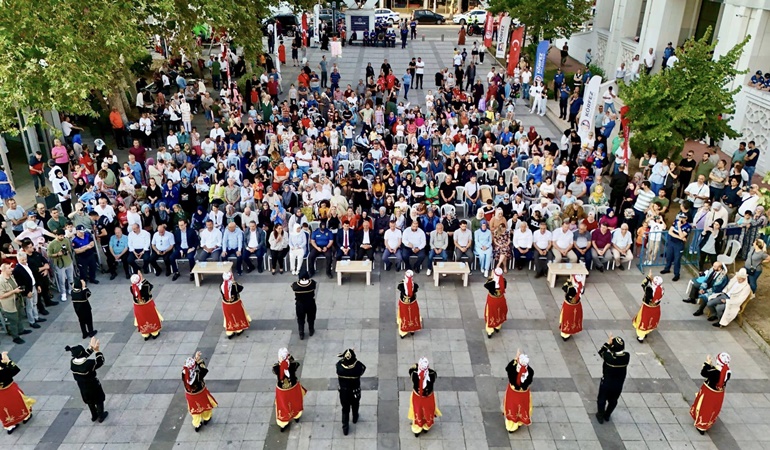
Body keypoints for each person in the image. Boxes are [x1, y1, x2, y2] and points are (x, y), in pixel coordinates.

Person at [66, 337, 108, 423]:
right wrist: (97, 350)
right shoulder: (89, 363)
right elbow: (100, 361)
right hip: (93, 385)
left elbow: (83, 355)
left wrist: (91, 348)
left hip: (82, 387)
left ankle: (94, 415)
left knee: (89, 401)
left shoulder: (73, 362)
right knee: (99, 400)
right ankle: (101, 415)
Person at [690, 352, 731, 435]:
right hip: (719, 393)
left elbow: (704, 373)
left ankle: (701, 426)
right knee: (712, 409)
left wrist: (707, 363)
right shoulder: (728, 372)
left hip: (709, 392)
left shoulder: (714, 372)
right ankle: (707, 423)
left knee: (705, 408)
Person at [595, 334, 629, 424]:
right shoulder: (626, 356)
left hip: (607, 383)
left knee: (602, 399)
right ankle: (607, 415)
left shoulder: (609, 358)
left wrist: (607, 343)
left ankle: (600, 415)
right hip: (618, 384)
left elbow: (601, 352)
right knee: (613, 401)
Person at [0, 351, 35, 434]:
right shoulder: (3, 371)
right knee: (15, 403)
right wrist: (7, 361)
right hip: (8, 388)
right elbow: (15, 370)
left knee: (8, 407)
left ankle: (12, 424)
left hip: (5, 390)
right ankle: (23, 417)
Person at [182, 351, 217, 432]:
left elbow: (189, 367)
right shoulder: (198, 376)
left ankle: (197, 424)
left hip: (190, 395)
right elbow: (204, 369)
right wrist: (198, 360)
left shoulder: (184, 374)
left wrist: (194, 360)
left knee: (195, 410)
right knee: (205, 406)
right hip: (200, 394)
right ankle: (206, 418)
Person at [273, 347, 306, 432]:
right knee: (295, 402)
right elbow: (296, 364)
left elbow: (275, 369)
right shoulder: (293, 365)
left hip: (282, 391)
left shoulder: (276, 367)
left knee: (283, 405)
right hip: (293, 388)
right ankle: (296, 416)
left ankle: (283, 423)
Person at [336, 348, 366, 435]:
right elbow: (363, 368)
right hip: (355, 391)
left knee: (345, 409)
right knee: (355, 404)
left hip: (344, 392)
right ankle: (355, 417)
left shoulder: (339, 367)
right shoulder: (357, 367)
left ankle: (345, 428)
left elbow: (338, 363)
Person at [408, 357, 440, 437]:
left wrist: (415, 366)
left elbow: (411, 371)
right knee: (426, 412)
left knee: (418, 412)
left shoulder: (414, 374)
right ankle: (426, 427)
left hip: (418, 397)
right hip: (427, 398)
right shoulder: (432, 374)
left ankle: (417, 429)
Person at [503, 350, 533, 433]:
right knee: (522, 407)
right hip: (523, 394)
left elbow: (507, 368)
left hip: (513, 393)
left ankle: (511, 426)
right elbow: (528, 382)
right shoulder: (530, 371)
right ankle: (519, 422)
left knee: (512, 407)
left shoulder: (513, 370)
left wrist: (515, 359)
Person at [0, 263, 29, 344]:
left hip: (17, 300)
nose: (11, 269)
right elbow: (1, 296)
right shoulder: (1, 281)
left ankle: (21, 330)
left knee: (19, 316)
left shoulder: (11, 277)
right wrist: (14, 291)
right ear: (4, 270)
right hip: (9, 304)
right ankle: (15, 337)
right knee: (13, 320)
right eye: (9, 268)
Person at [130, 273, 163, 340]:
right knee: (151, 318)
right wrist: (143, 279)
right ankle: (154, 333)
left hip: (138, 306)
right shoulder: (145, 286)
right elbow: (151, 286)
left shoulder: (132, 288)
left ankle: (146, 335)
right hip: (147, 305)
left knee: (142, 319)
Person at [633, 273, 664, 343]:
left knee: (644, 320)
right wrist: (651, 279)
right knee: (651, 320)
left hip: (647, 308)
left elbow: (643, 284)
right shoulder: (662, 289)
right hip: (656, 308)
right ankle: (646, 332)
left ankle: (641, 337)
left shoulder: (649, 290)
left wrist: (648, 277)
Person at [661, 213, 691, 281]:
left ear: (686, 218)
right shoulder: (676, 221)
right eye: (680, 217)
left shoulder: (688, 226)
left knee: (677, 260)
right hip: (672, 242)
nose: (681, 219)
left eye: (683, 217)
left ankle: (677, 274)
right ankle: (667, 268)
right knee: (669, 256)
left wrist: (679, 227)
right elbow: (670, 232)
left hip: (679, 244)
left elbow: (682, 235)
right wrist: (680, 237)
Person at [220, 272, 250, 339]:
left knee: (229, 317)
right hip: (235, 304)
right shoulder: (234, 285)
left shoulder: (221, 286)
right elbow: (241, 288)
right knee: (237, 316)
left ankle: (230, 332)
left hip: (226, 305)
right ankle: (238, 330)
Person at [291, 269, 317, 340]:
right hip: (310, 304)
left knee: (300, 319)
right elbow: (314, 285)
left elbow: (293, 287)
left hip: (300, 305)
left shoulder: (296, 285)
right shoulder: (312, 284)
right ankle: (311, 330)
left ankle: (301, 333)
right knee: (311, 318)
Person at [484, 268, 508, 338]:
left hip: (492, 301)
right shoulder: (503, 281)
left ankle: (490, 331)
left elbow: (485, 285)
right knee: (499, 313)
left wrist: (491, 277)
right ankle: (497, 327)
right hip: (501, 299)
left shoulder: (491, 283)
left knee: (490, 314)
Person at [397, 270, 422, 338]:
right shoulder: (412, 285)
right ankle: (408, 331)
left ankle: (408, 331)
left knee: (409, 316)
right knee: (408, 316)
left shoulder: (404, 285)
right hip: (408, 303)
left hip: (408, 303)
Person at [560, 274, 585, 341]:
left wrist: (569, 282)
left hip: (569, 306)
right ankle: (567, 332)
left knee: (567, 318)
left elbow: (564, 288)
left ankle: (565, 333)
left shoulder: (571, 289)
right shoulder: (579, 289)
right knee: (571, 319)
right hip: (575, 306)